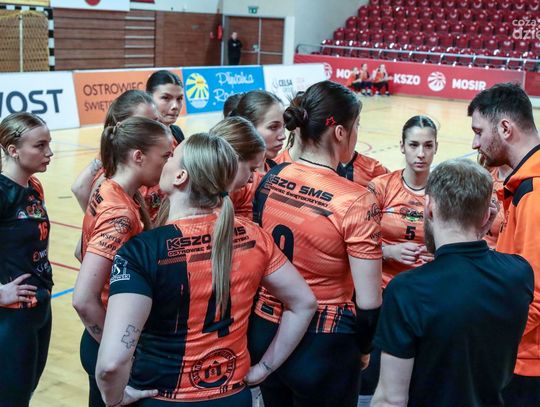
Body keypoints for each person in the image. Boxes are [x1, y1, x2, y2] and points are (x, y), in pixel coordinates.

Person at [95, 133, 316, 406]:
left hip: (162, 396)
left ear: (180, 177)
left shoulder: (142, 251)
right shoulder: (254, 237)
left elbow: (111, 364)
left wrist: (115, 398)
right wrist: (264, 368)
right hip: (233, 396)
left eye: (171, 157)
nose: (166, 161)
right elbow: (304, 302)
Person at [249, 80, 383, 407]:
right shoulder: (355, 200)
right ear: (340, 132)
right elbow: (369, 303)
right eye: (356, 126)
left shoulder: (272, 177)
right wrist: (364, 349)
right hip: (323, 343)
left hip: (265, 331)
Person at [372, 159, 534, 407]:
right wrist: (480, 230)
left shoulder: (407, 290)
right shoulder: (519, 274)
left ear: (429, 207)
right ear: (487, 216)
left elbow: (390, 400)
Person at [72, 117, 172, 407]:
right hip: (107, 338)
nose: (169, 164)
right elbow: (83, 299)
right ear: (138, 156)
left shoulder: (108, 187)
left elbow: (81, 251)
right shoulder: (120, 214)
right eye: (165, 156)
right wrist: (118, 350)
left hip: (102, 339)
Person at [468, 82, 540, 406]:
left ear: (505, 129)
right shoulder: (523, 185)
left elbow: (535, 297)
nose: (475, 143)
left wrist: (485, 340)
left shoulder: (535, 194)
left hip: (528, 362)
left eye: (479, 132)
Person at [0, 112, 54, 406]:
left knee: (26, 392)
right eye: (40, 145)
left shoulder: (34, 186)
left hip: (40, 306)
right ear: (13, 150)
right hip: (11, 316)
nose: (49, 152)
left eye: (49, 143)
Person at [71, 90, 160, 212]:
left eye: (156, 121)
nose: (155, 128)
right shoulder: (113, 169)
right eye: (144, 123)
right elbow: (79, 188)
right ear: (121, 126)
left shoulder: (165, 142)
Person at [229, 90, 286, 218]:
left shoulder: (276, 168)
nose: (283, 136)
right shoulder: (237, 178)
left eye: (283, 126)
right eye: (273, 127)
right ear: (248, 128)